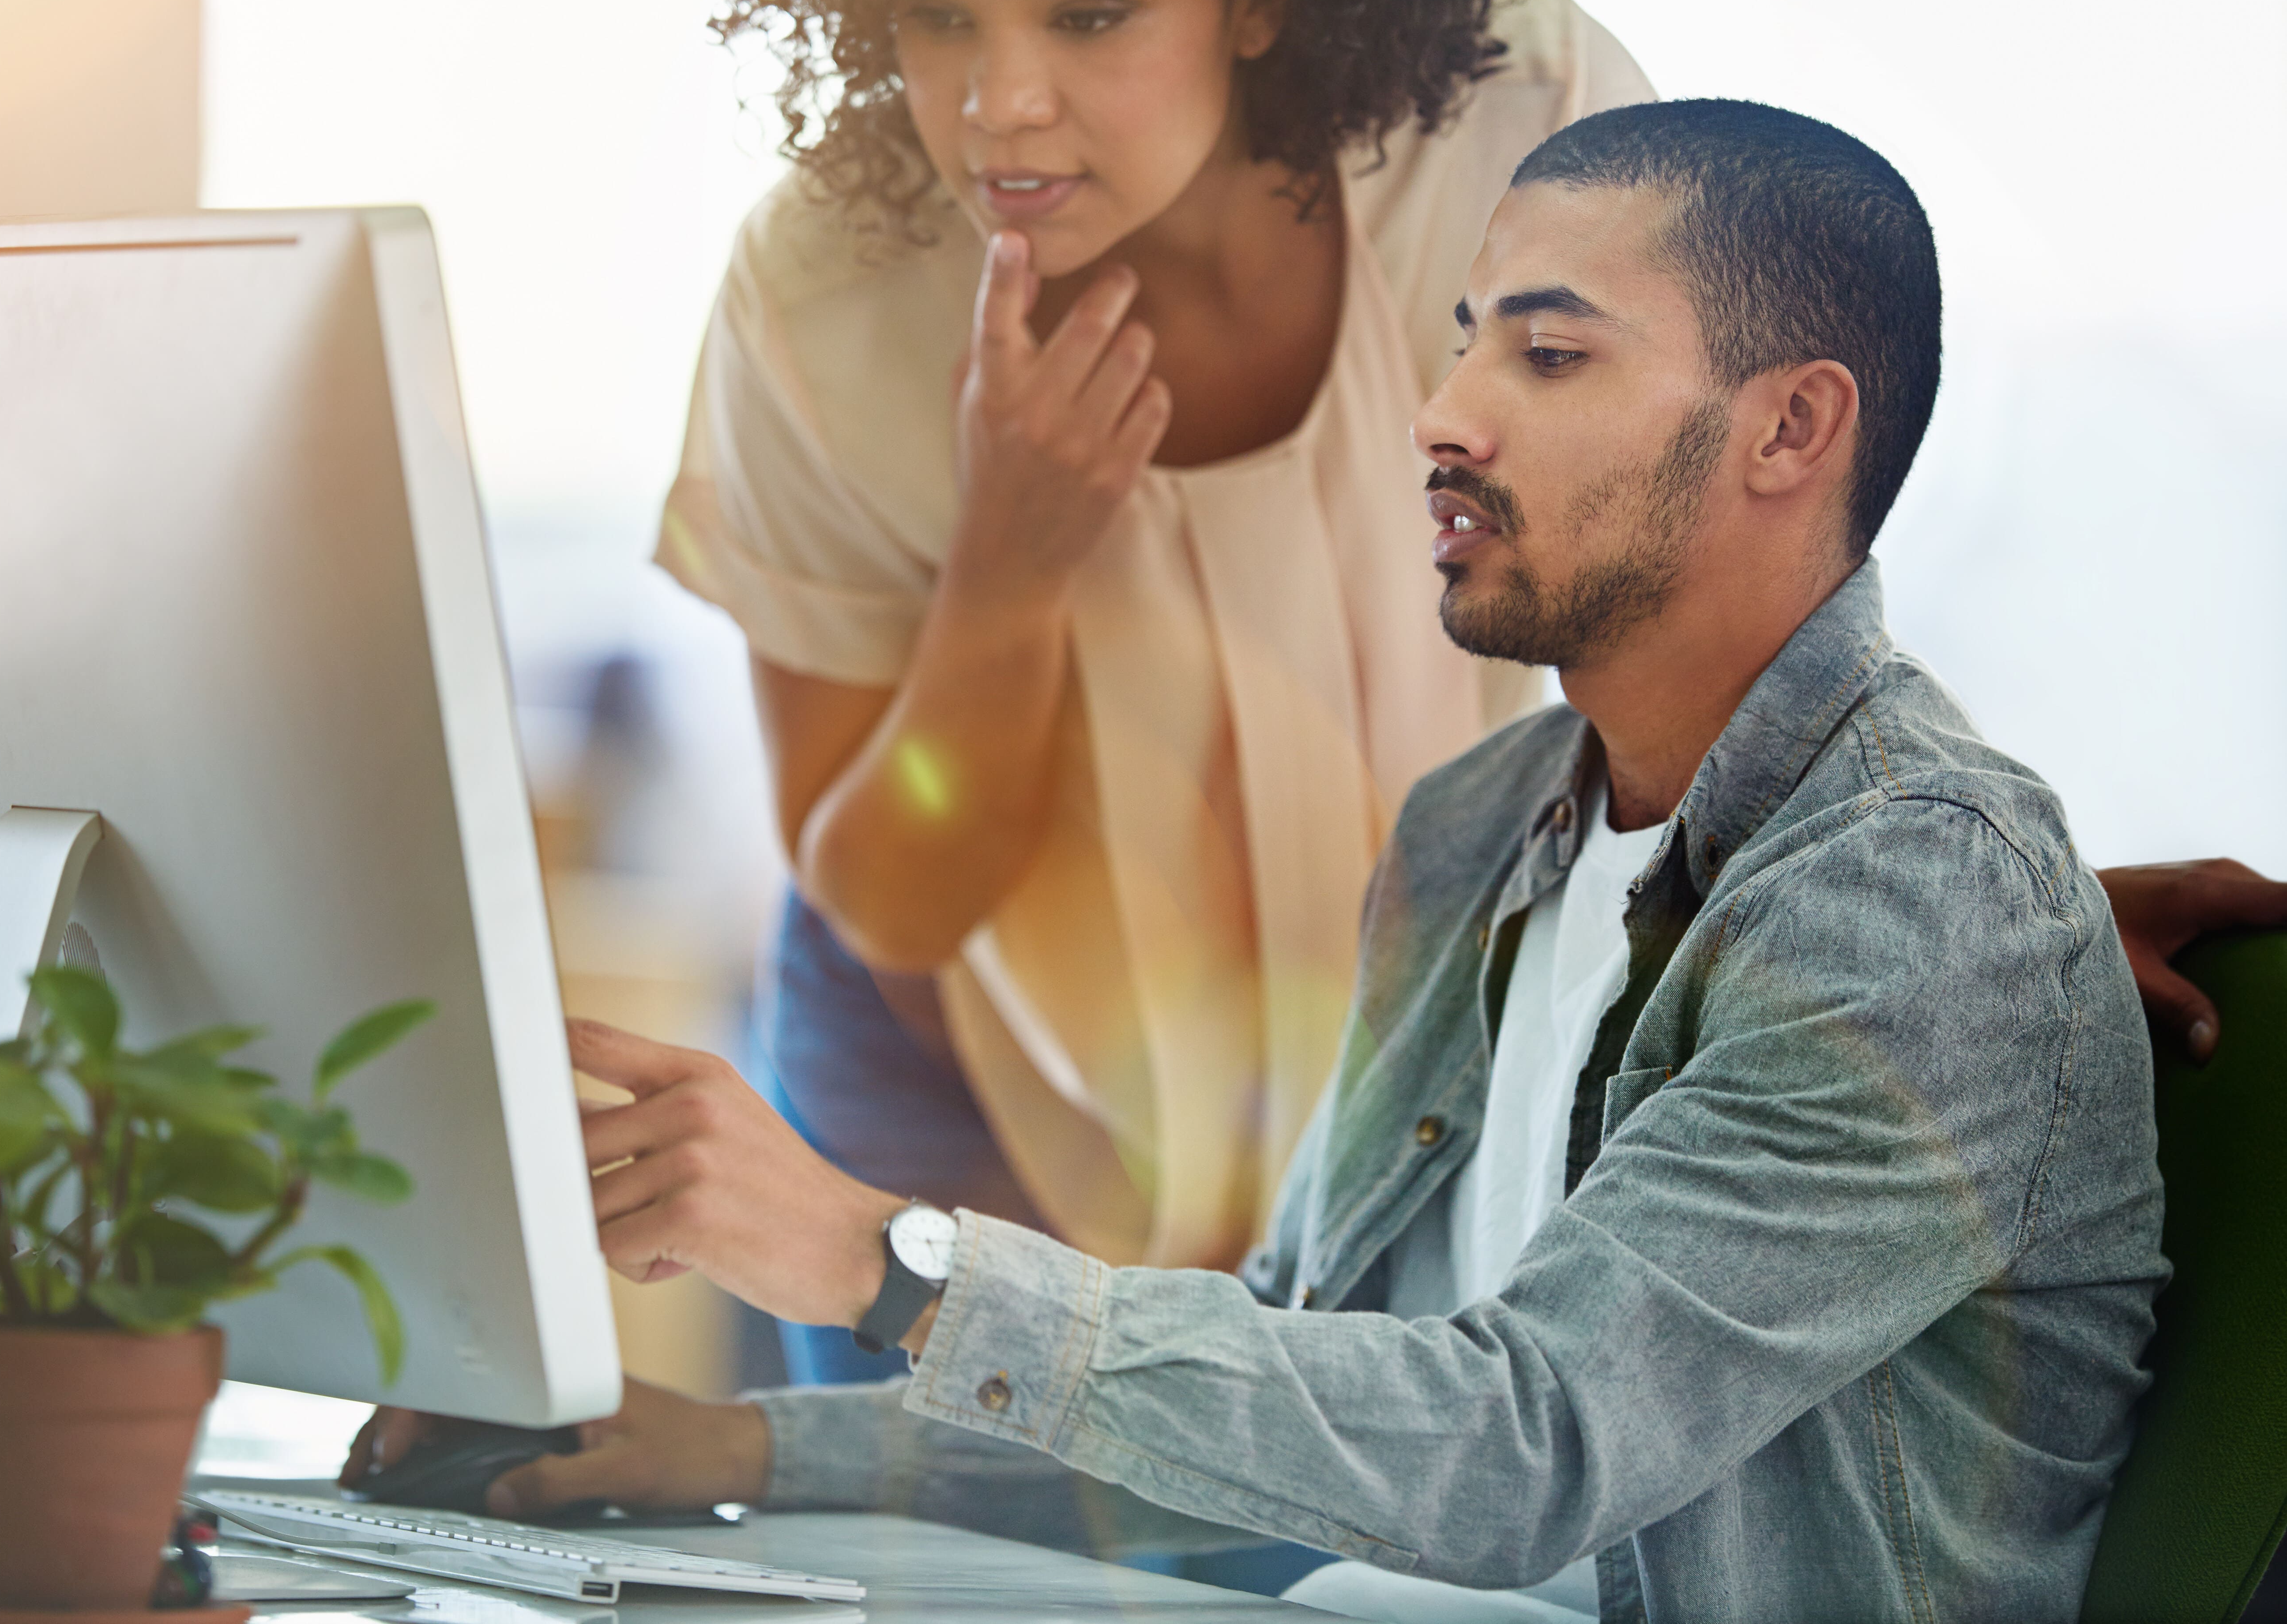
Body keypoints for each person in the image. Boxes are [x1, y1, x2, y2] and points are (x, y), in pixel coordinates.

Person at [355, 101, 2194, 1620]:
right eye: (1463, 332)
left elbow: (1522, 1441)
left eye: (1547, 350)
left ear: (1792, 427)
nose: (1446, 410)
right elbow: (1305, 1371)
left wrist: (883, 1258)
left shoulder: (1919, 896)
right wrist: (751, 1449)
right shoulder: (1481, 832)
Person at [657, 0, 1658, 1384]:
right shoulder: (824, 300)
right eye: (937, 15)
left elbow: (1702, 618)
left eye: (1090, 11)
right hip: (963, 1079)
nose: (997, 105)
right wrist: (1006, 565)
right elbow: (896, 905)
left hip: (1384, 1045)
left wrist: (1915, 909)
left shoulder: (1525, 136)